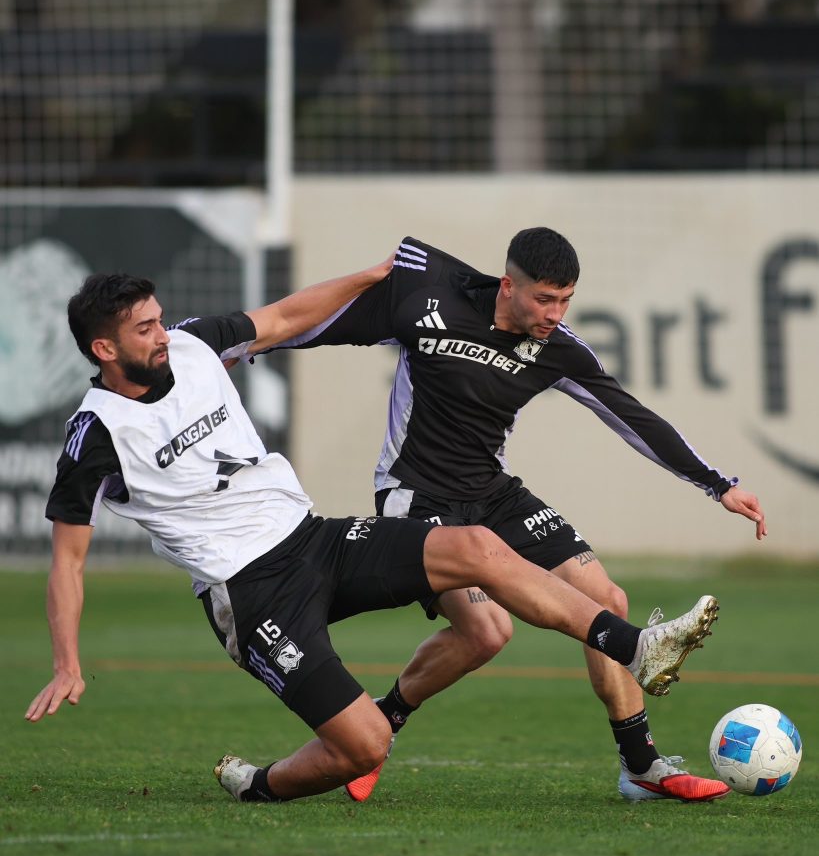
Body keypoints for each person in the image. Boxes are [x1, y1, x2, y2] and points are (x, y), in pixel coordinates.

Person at [25, 258, 721, 804]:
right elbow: (68, 563)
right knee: (363, 748)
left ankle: (637, 647)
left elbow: (285, 314)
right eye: (144, 329)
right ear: (103, 348)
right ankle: (260, 785)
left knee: (478, 548)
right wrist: (66, 662)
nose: (161, 332)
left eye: (158, 318)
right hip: (251, 591)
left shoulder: (195, 345)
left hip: (312, 540)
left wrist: (364, 278)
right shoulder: (96, 436)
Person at [263, 229, 766, 804]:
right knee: (486, 632)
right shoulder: (430, 305)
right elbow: (322, 325)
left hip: (494, 496)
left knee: (608, 598)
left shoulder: (559, 348)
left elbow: (632, 416)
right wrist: (245, 343)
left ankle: (641, 766)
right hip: (416, 497)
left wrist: (716, 486)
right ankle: (387, 719)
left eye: (567, 300)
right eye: (545, 300)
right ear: (509, 285)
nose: (556, 314)